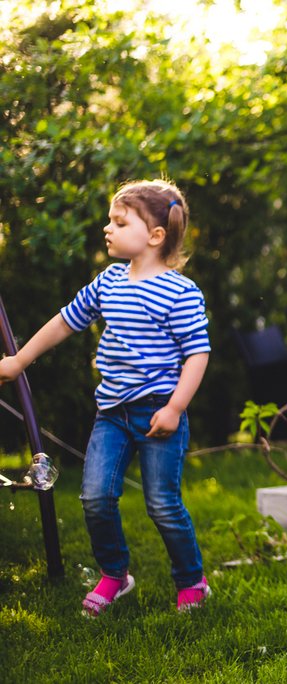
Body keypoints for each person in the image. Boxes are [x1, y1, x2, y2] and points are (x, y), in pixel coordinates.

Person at [0, 179, 212, 616]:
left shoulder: (180, 291)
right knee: (95, 497)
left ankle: (192, 582)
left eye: (119, 221)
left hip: (159, 413)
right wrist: (19, 360)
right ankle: (116, 574)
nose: (107, 228)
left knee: (163, 504)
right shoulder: (109, 281)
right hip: (112, 413)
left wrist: (175, 408)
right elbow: (65, 321)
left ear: (155, 236)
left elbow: (197, 354)